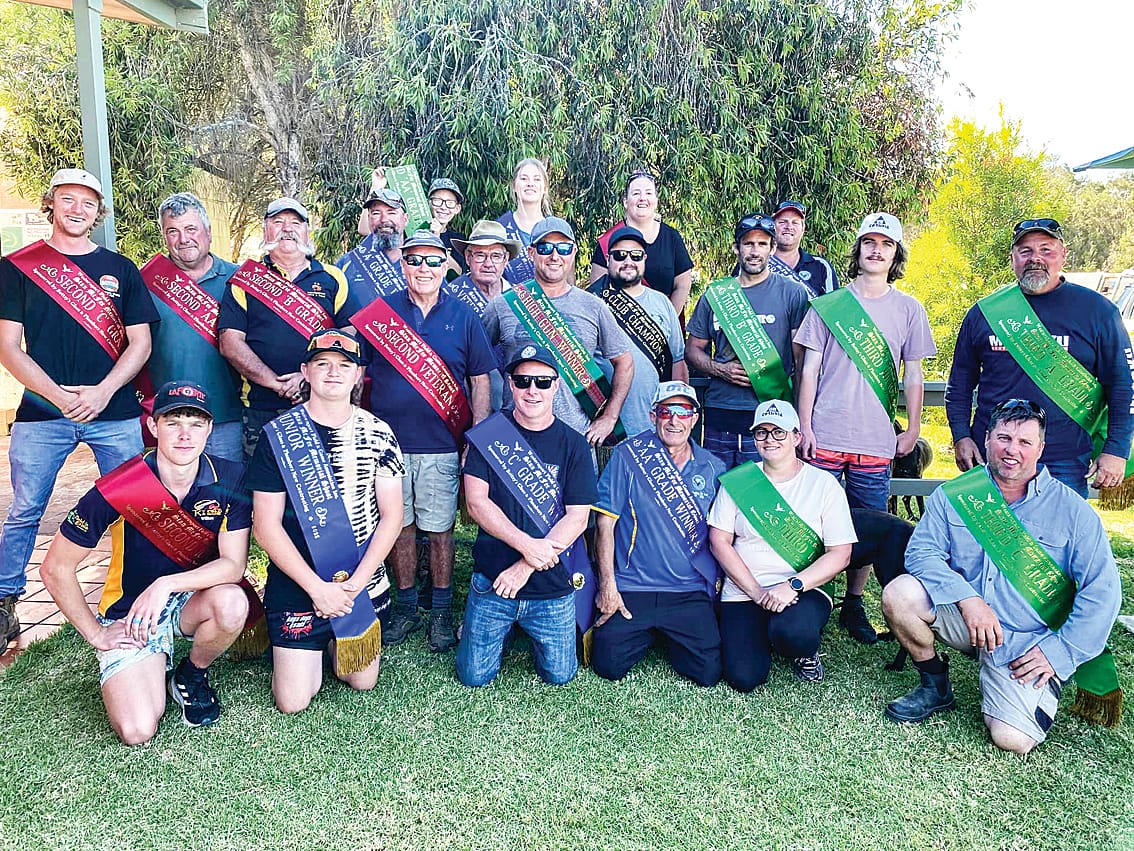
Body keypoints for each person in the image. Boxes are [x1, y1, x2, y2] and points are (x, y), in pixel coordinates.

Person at [883, 399, 1122, 753]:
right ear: (987, 437)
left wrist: (1057, 653)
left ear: (1040, 448)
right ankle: (935, 684)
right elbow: (922, 552)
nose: (1013, 451)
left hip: (1027, 641)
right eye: (1004, 438)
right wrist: (969, 600)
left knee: (1012, 741)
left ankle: (1039, 684)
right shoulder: (956, 495)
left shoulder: (1072, 511)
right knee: (899, 594)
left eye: (1025, 442)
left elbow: (1103, 593)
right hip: (968, 620)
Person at [39, 381, 251, 744]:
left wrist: (165, 584)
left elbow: (233, 565)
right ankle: (148, 664)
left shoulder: (232, 478)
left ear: (209, 429)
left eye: (196, 423)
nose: (185, 434)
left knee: (232, 602)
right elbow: (54, 567)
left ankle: (191, 674)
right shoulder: (118, 487)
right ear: (153, 426)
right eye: (173, 421)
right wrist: (95, 632)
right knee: (137, 730)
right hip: (131, 611)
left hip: (189, 601)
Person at [0, 168, 158, 645]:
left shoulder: (121, 269)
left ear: (98, 212)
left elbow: (140, 343)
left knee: (137, 506)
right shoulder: (17, 267)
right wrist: (58, 395)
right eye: (67, 200)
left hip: (112, 412)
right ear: (51, 204)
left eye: (87, 203)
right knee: (26, 509)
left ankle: (140, 593)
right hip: (42, 412)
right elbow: (8, 347)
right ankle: (6, 601)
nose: (77, 209)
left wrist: (104, 391)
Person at [247, 330, 405, 714]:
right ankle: (305, 644)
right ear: (305, 372)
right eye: (322, 364)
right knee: (293, 701)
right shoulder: (279, 436)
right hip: (300, 583)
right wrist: (317, 589)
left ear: (357, 376)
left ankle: (329, 638)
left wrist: (355, 583)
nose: (333, 373)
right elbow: (265, 527)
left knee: (361, 681)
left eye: (344, 365)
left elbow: (392, 518)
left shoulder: (378, 433)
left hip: (358, 582)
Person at [793, 212, 935, 638]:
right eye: (869, 242)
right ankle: (814, 597)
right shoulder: (830, 306)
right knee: (814, 526)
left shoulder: (909, 309)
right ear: (858, 251)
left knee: (870, 527)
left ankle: (853, 605)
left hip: (876, 440)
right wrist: (805, 424)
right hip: (826, 432)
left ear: (896, 255)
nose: (877, 250)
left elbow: (913, 374)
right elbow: (809, 371)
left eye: (886, 244)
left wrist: (912, 427)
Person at [354, 230, 495, 652]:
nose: (424, 269)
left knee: (440, 531)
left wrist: (477, 434)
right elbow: (358, 377)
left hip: (441, 444)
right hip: (387, 446)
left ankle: (440, 611)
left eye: (434, 261)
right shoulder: (380, 314)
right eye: (415, 260)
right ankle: (405, 607)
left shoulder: (464, 316)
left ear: (445, 267)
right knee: (397, 527)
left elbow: (480, 379)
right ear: (404, 266)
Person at [946, 217, 1133, 497]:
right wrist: (961, 435)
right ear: (1013, 259)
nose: (1035, 259)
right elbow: (959, 384)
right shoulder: (984, 313)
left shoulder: (1098, 312)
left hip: (1064, 461)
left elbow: (1123, 386)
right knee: (988, 541)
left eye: (1046, 250)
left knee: (1058, 541)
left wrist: (1116, 450)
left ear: (1063, 255)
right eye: (1026, 251)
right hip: (993, 457)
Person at [457, 346, 597, 687]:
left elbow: (578, 518)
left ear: (557, 386)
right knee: (474, 677)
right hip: (493, 578)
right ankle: (495, 629)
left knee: (560, 675)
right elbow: (476, 503)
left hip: (550, 585)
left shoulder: (574, 444)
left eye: (542, 382)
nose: (532, 390)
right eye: (523, 381)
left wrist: (525, 565)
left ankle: (517, 632)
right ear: (510, 384)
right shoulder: (489, 434)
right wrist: (526, 546)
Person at [708, 400, 855, 688]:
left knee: (794, 634)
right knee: (743, 677)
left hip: (803, 588)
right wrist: (757, 592)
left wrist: (792, 586)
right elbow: (719, 541)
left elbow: (841, 554)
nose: (769, 439)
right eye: (761, 432)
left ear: (797, 437)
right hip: (746, 589)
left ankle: (805, 652)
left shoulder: (823, 484)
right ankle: (761, 630)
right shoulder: (739, 483)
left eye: (779, 432)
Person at [592, 380, 725, 686]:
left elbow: (723, 536)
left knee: (708, 673)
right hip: (632, 587)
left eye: (683, 411)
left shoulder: (713, 467)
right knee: (607, 664)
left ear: (694, 417)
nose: (674, 420)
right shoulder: (627, 455)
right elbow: (605, 525)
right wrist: (608, 587)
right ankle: (653, 632)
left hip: (687, 591)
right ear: (653, 417)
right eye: (666, 411)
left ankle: (666, 635)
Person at [218, 197, 354, 461]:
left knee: (320, 494)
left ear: (307, 231)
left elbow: (349, 338)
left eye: (295, 222)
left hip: (322, 406)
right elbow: (230, 343)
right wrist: (277, 384)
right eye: (277, 222)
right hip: (260, 409)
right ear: (265, 230)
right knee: (263, 494)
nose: (286, 229)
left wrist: (307, 380)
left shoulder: (332, 278)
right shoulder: (245, 281)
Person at [482, 216, 634, 449]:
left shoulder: (594, 306)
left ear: (573, 252)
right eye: (545, 248)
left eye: (563, 248)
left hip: (576, 439)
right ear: (531, 253)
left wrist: (609, 418)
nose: (554, 256)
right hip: (514, 440)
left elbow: (625, 362)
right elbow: (476, 365)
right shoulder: (503, 305)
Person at [686, 214, 811, 469]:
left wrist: (800, 418)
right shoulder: (716, 295)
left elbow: (801, 361)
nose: (755, 251)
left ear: (773, 249)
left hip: (772, 415)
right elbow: (693, 350)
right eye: (748, 244)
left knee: (763, 498)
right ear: (736, 247)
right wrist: (720, 369)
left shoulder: (792, 293)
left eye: (762, 244)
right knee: (718, 493)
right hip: (721, 411)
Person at [143, 192, 242, 461]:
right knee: (170, 499)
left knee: (226, 495)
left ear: (208, 232)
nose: (183, 239)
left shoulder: (239, 279)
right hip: (169, 418)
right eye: (172, 231)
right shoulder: (146, 283)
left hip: (226, 416)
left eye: (191, 229)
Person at [587, 225, 687, 435]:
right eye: (620, 255)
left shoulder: (663, 303)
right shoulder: (590, 302)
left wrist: (675, 412)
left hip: (654, 427)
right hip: (605, 429)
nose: (628, 261)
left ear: (644, 260)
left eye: (636, 255)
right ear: (608, 260)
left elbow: (677, 361)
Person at [589, 170, 695, 319]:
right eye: (636, 193)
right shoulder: (608, 241)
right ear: (625, 202)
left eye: (648, 193)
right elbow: (598, 292)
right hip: (618, 329)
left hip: (663, 327)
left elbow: (682, 285)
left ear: (656, 200)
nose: (642, 198)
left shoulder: (672, 237)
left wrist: (666, 321)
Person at [448, 220, 522, 411]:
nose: (488, 264)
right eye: (480, 255)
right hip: (463, 398)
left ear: (506, 259)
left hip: (516, 400)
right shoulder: (449, 297)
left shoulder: (521, 299)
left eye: (496, 256)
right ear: (467, 257)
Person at [496, 157, 553, 285]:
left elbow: (569, 281)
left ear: (545, 188)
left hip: (551, 303)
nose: (530, 184)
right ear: (514, 186)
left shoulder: (556, 230)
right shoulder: (500, 227)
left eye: (537, 179)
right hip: (509, 302)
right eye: (524, 178)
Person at [767, 200, 839, 299]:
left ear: (803, 228)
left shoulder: (821, 267)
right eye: (783, 222)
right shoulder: (754, 262)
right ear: (772, 226)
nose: (789, 227)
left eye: (795, 223)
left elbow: (832, 308)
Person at [426, 177, 468, 275]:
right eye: (437, 200)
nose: (443, 207)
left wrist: (436, 240)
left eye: (450, 203)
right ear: (429, 203)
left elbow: (458, 273)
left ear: (457, 209)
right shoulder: (414, 230)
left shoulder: (458, 240)